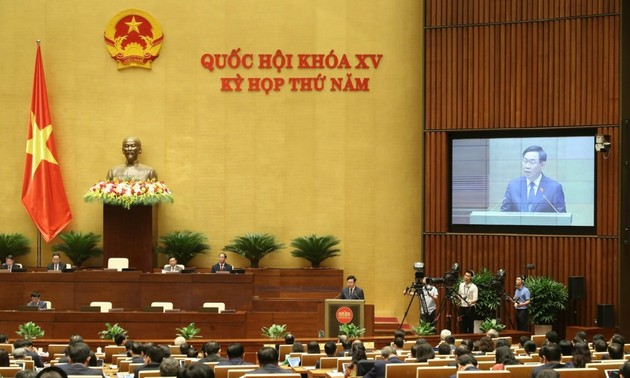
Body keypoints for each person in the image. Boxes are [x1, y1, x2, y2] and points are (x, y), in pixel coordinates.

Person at [500, 145, 566, 213]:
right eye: (525, 161)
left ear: (542, 164)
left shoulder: (554, 188)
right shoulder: (513, 186)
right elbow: (504, 214)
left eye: (532, 162)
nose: (527, 166)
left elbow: (560, 218)